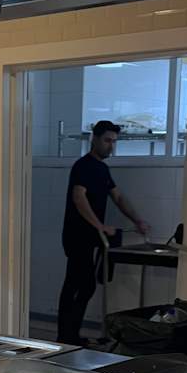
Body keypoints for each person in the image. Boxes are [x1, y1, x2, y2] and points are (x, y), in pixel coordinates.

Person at [56, 120, 149, 346]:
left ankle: (69, 335)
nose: (111, 146)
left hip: (91, 237)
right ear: (94, 139)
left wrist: (137, 220)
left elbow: (118, 197)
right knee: (78, 284)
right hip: (77, 236)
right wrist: (100, 225)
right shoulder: (83, 166)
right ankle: (67, 336)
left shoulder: (103, 169)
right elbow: (79, 198)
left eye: (114, 142)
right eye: (107, 140)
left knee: (82, 285)